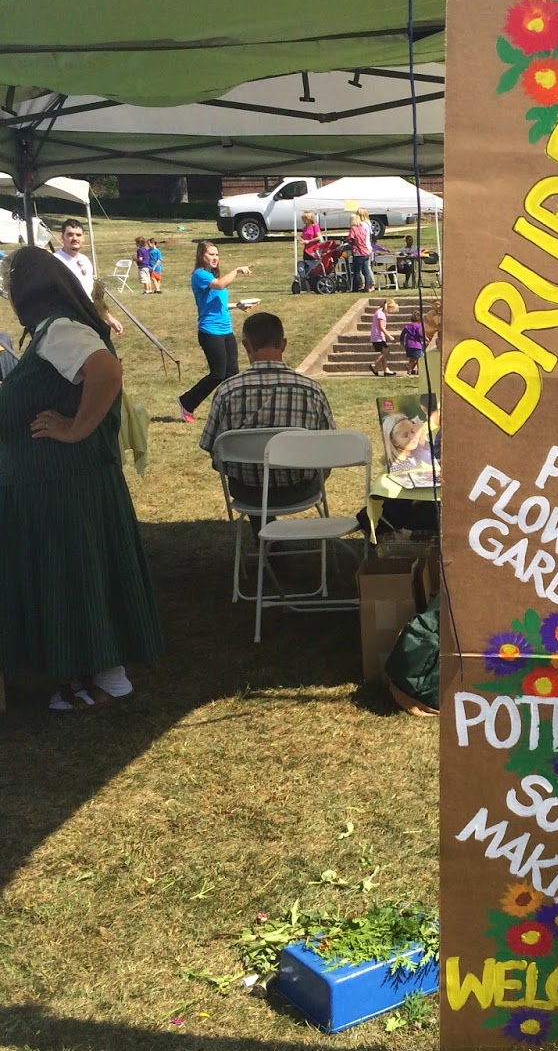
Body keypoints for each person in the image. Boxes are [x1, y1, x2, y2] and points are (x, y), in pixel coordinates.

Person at [0, 246, 164, 711]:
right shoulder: (52, 329)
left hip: (68, 484)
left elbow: (105, 371)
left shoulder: (61, 329)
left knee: (83, 575)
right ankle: (90, 670)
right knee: (76, 576)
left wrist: (75, 428)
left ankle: (110, 678)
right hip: (60, 483)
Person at [199, 311, 335, 510]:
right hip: (300, 490)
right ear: (284, 344)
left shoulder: (227, 391)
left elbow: (211, 446)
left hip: (247, 492)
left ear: (246, 345)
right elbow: (329, 443)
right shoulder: (311, 390)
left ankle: (261, 525)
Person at [178, 239, 251, 424]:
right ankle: (187, 402)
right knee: (218, 374)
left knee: (232, 373)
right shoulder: (200, 275)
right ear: (201, 256)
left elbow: (218, 303)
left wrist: (237, 306)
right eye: (211, 254)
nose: (215, 258)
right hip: (210, 332)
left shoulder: (211, 276)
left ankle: (231, 410)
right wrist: (237, 270)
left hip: (226, 331)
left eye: (217, 254)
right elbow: (219, 285)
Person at [55, 217, 124, 337]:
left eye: (78, 235)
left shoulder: (85, 260)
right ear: (63, 237)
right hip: (68, 322)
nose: (75, 238)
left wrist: (108, 318)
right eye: (70, 234)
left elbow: (94, 296)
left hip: (89, 317)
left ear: (83, 237)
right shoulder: (55, 261)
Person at [348, 209, 374, 292]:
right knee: (366, 270)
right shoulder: (366, 225)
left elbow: (351, 239)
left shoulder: (355, 228)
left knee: (357, 271)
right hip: (366, 250)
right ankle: (368, 286)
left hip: (358, 251)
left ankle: (356, 287)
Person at [371, 299, 398, 377]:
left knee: (383, 353)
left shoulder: (379, 312)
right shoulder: (381, 314)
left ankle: (386, 370)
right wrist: (390, 337)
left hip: (378, 337)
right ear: (389, 307)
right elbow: (381, 327)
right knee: (386, 351)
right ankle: (375, 365)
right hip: (378, 337)